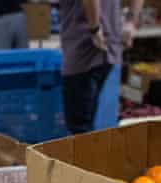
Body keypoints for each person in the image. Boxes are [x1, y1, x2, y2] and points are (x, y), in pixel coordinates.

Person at [60, 0, 141, 134]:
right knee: (91, 124)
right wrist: (131, 22)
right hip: (109, 48)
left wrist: (94, 28)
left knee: (79, 129)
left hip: (84, 48)